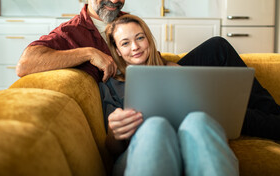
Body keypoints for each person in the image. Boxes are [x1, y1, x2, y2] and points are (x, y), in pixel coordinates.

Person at [17, 0, 280, 140]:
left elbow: (142, 56)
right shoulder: (71, 32)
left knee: (217, 47)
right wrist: (89, 53)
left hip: (159, 82)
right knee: (237, 116)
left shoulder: (122, 20)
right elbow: (26, 63)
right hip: (134, 102)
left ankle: (277, 113)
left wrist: (168, 67)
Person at [100, 14, 239, 176]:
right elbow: (112, 149)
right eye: (125, 43)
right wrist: (114, 131)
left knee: (198, 121)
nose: (135, 47)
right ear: (118, 50)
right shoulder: (110, 85)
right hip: (138, 152)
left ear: (149, 40)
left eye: (140, 38)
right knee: (155, 126)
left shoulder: (176, 71)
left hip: (186, 145)